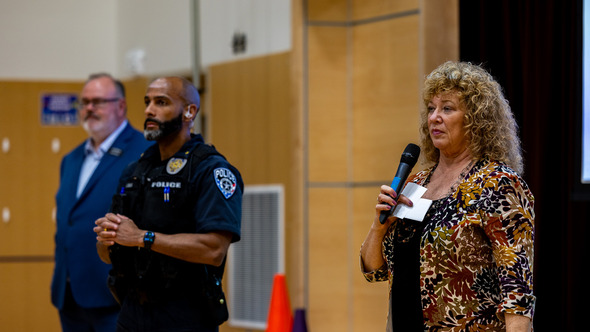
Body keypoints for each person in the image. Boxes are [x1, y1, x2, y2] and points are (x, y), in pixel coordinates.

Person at [360, 61, 535, 331]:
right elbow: (375, 271)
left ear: (476, 119)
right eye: (431, 108)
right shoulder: (416, 183)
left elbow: (517, 294)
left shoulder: (498, 184)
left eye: (447, 108)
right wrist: (378, 227)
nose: (434, 117)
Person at [94, 76, 243, 332]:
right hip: (132, 313)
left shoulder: (211, 170)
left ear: (189, 111)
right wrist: (108, 238)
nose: (149, 110)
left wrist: (143, 237)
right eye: (147, 102)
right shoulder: (134, 171)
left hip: (185, 315)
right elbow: (106, 253)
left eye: (161, 102)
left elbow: (214, 250)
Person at [51, 73, 152, 331]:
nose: (89, 109)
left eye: (98, 101)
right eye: (84, 102)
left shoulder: (145, 152)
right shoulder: (71, 159)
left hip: (116, 297)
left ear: (121, 106)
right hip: (70, 296)